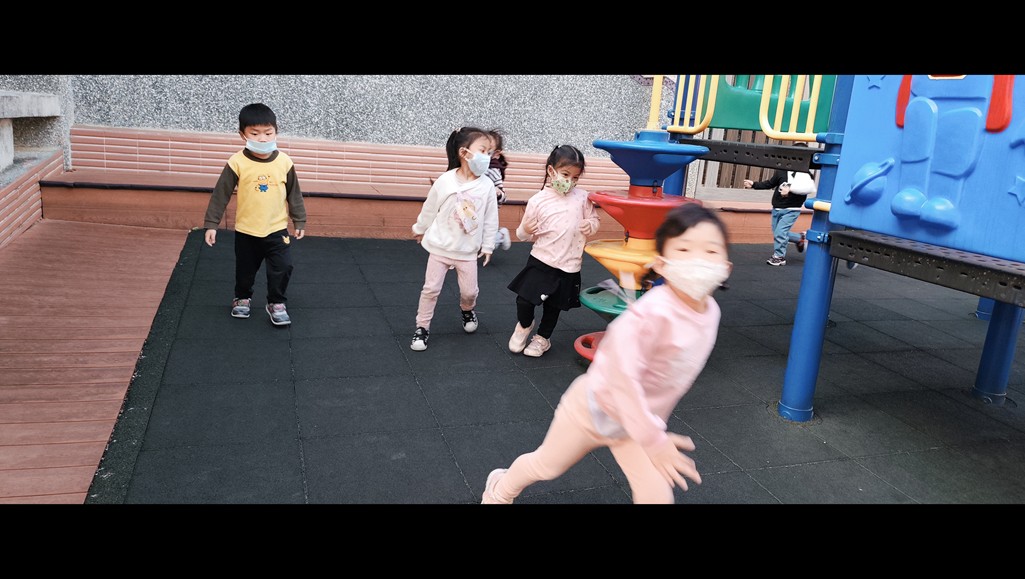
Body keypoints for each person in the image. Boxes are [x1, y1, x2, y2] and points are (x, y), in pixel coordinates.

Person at [481, 203, 732, 504]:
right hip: (593, 409)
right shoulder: (648, 316)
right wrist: (654, 439)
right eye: (684, 250)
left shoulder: (711, 313)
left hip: (637, 424)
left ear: (726, 267)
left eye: (711, 251)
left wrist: (651, 430)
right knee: (546, 465)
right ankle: (500, 489)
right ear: (662, 264)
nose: (698, 261)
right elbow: (622, 381)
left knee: (656, 495)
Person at [202, 102, 307, 326]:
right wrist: (212, 224)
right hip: (247, 230)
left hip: (276, 229)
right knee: (245, 269)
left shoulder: (284, 162)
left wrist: (299, 220)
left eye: (268, 133)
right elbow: (221, 194)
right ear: (243, 135)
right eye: (255, 133)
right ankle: (242, 297)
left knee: (283, 266)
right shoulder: (237, 162)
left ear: (276, 132)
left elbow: (294, 194)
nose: (262, 139)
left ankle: (276, 302)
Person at [410, 126, 499, 351]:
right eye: (483, 151)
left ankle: (467, 310)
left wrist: (488, 245)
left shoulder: (487, 185)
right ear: (464, 153)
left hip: (467, 251)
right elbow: (430, 208)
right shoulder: (446, 180)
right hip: (440, 247)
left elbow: (491, 218)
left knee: (469, 292)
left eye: (489, 152)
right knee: (430, 289)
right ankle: (422, 327)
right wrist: (420, 228)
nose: (487, 157)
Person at [507, 144, 600, 358]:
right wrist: (526, 229)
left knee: (554, 306)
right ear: (551, 171)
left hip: (569, 264)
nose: (570, 181)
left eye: (575, 178)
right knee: (524, 299)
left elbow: (595, 220)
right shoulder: (538, 200)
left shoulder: (583, 198)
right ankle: (524, 325)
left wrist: (591, 225)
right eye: (566, 175)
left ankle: (542, 338)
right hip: (541, 260)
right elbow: (522, 234)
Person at [743, 142, 816, 266]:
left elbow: (808, 188)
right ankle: (800, 238)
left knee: (780, 233)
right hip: (777, 207)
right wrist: (754, 184)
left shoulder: (805, 174)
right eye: (793, 156)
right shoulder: (781, 171)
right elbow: (770, 183)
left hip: (792, 209)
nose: (795, 160)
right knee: (778, 232)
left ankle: (779, 257)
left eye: (800, 158)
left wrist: (791, 189)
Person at [486, 128, 512, 252]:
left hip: (489, 210)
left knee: (487, 239)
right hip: (475, 206)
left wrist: (497, 193)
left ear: (496, 154)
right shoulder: (475, 167)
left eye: (487, 151)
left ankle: (501, 235)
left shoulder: (493, 171)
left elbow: (503, 196)